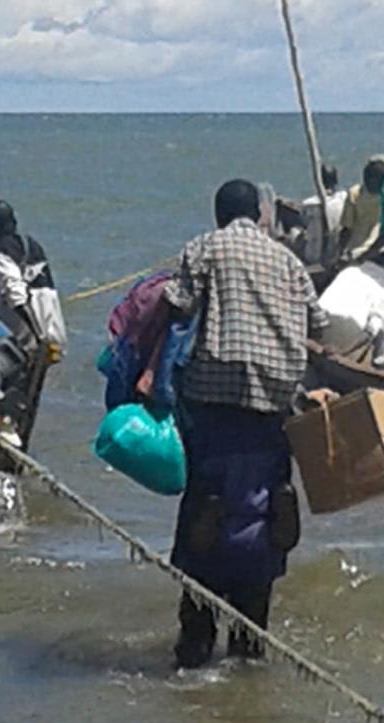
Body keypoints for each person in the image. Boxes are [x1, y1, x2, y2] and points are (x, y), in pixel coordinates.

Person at [162, 179, 328, 669]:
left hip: (213, 405)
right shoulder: (288, 260)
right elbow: (318, 322)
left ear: (218, 215)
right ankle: (249, 646)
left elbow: (179, 304)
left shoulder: (204, 248)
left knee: (206, 517)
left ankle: (195, 644)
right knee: (266, 515)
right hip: (274, 409)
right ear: (260, 215)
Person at [0, 200, 67, 356]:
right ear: (14, 222)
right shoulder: (30, 245)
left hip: (31, 333)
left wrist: (38, 336)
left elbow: (16, 295)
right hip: (53, 326)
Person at [337, 155, 384, 263]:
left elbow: (347, 228)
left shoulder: (355, 193)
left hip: (358, 251)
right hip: (383, 251)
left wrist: (338, 253)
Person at [301, 164, 348, 266]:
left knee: (295, 233)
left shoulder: (309, 204)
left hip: (313, 256)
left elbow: (303, 222)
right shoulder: (345, 199)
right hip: (337, 253)